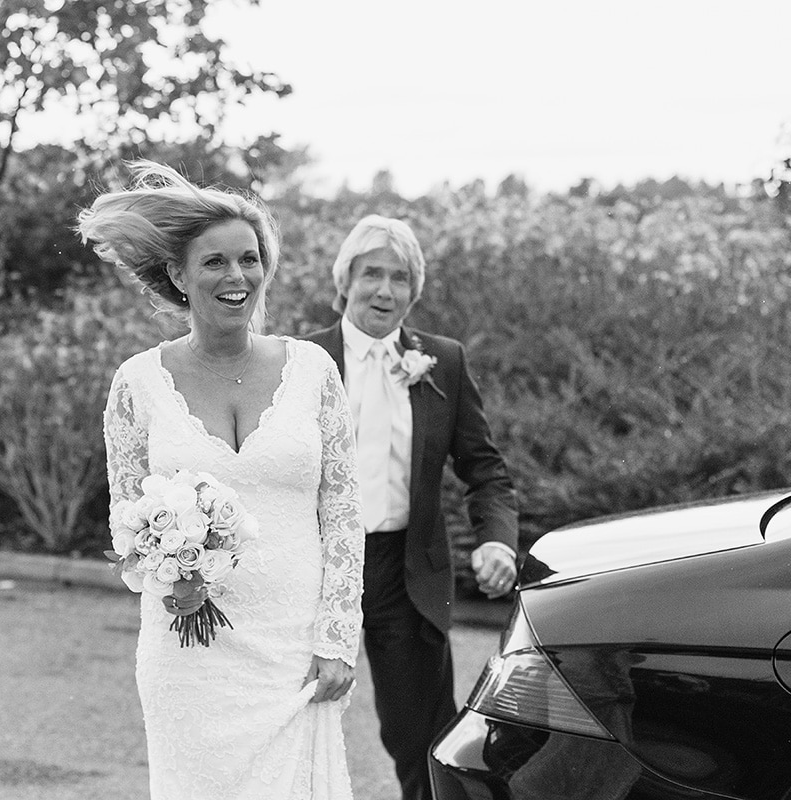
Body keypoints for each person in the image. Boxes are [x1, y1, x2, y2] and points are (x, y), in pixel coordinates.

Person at [80, 161, 364, 800]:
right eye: (216, 262)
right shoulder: (137, 384)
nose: (238, 277)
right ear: (179, 275)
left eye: (249, 259)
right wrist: (168, 577)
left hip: (296, 653)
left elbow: (343, 509)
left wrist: (338, 636)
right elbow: (127, 523)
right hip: (190, 660)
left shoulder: (314, 369)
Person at [304, 215, 519, 800]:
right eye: (371, 274)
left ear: (414, 290)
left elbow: (485, 470)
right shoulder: (301, 361)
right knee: (293, 720)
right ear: (345, 279)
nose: (385, 290)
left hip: (405, 571)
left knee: (422, 738)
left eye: (400, 278)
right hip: (314, 569)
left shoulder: (442, 361)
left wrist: (496, 539)